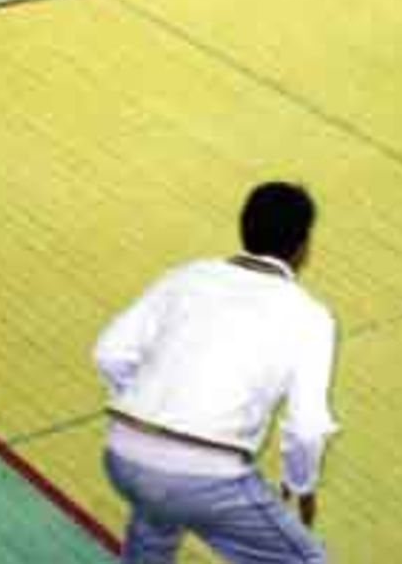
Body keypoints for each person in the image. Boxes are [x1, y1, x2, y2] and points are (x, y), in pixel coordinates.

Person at [93, 182, 338, 563]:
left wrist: (149, 408)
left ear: (243, 227)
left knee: (155, 522)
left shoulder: (185, 276)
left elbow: (109, 353)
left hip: (123, 457)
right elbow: (306, 428)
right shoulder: (310, 315)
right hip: (208, 476)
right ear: (303, 247)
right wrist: (300, 485)